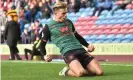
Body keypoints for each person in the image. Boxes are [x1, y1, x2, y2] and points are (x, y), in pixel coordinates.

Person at [42, 1, 104, 77]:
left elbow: (77, 36)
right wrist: (45, 56)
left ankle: (81, 67)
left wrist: (87, 45)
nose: (65, 15)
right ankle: (65, 72)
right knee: (80, 73)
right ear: (56, 13)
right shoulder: (48, 27)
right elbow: (42, 44)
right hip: (68, 52)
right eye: (63, 13)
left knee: (99, 72)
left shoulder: (69, 22)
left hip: (80, 49)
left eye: (66, 13)